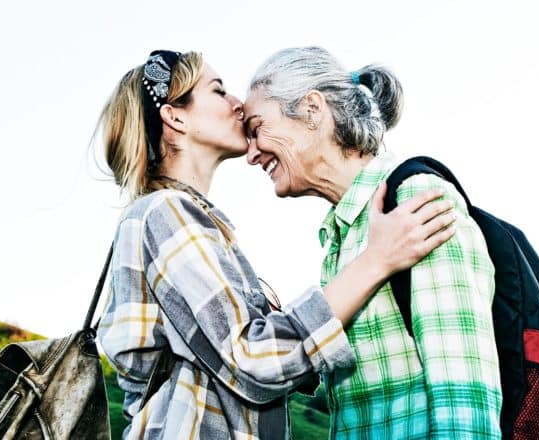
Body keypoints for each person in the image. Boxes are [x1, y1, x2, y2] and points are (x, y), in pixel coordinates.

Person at [95, 50, 456, 439]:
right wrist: (377, 261)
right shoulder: (165, 214)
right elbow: (251, 359)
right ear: (175, 116)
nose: (237, 105)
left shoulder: (190, 220)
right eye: (218, 91)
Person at [244, 46, 503, 439]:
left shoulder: (415, 200)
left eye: (257, 128)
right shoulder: (344, 234)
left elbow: (464, 393)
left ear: (312, 110)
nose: (250, 153)